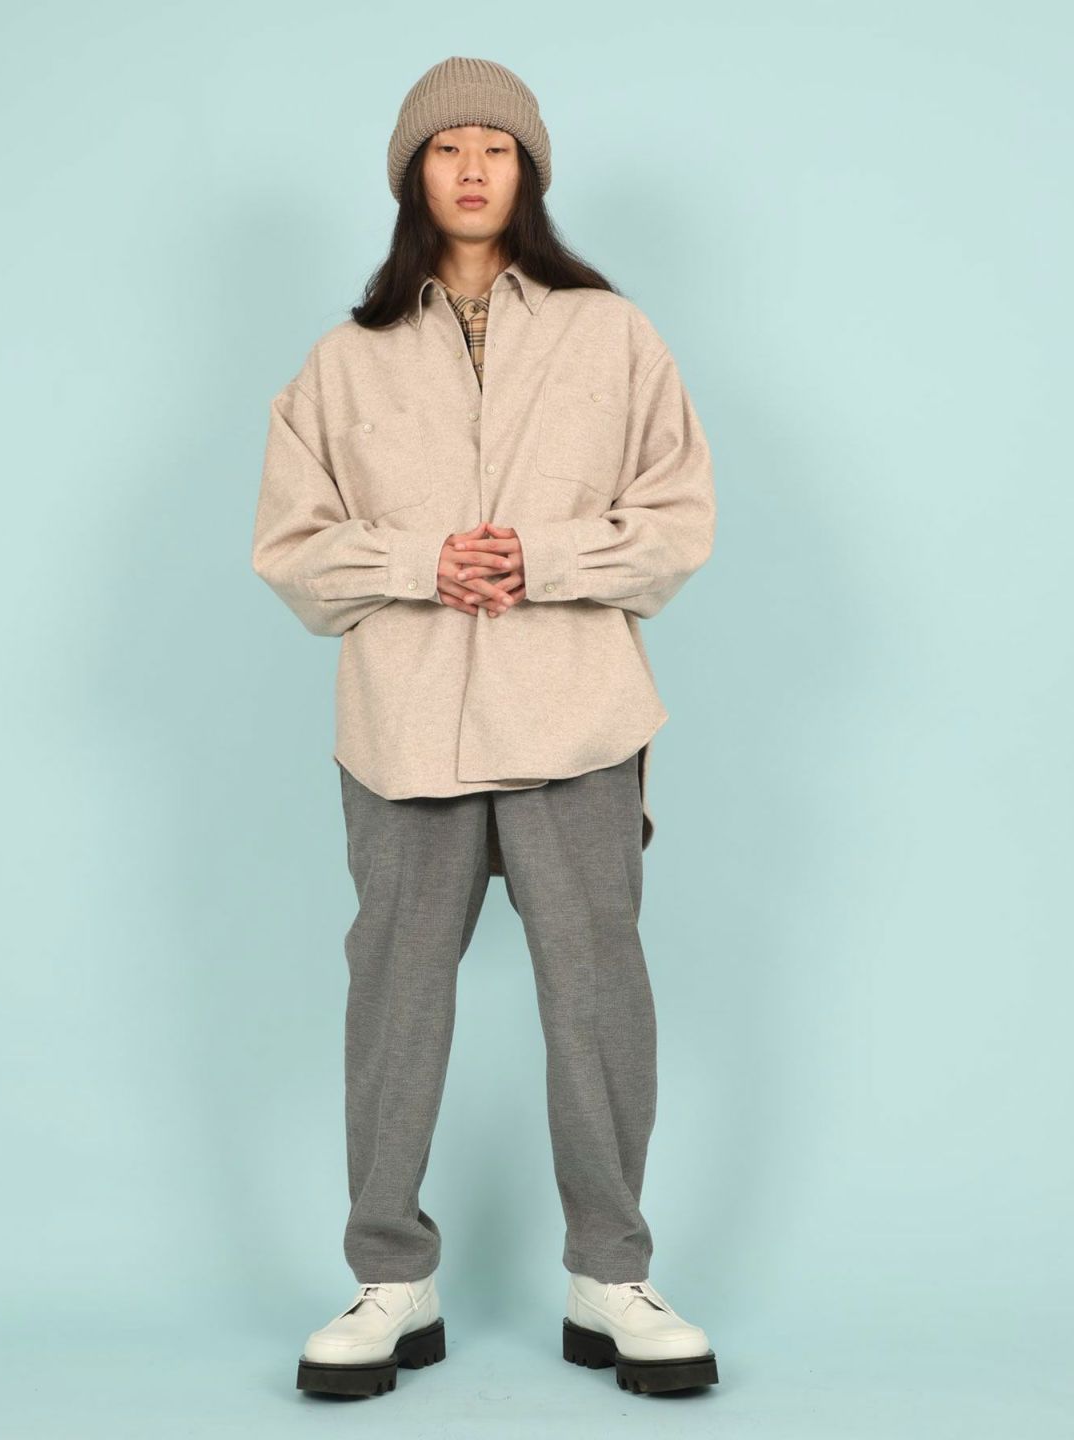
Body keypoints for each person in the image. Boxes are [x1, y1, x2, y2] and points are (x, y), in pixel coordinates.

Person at [251, 56, 719, 1399]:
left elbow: (677, 521)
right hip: (403, 727)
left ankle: (610, 1275)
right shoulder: (345, 359)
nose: (471, 169)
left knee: (598, 997)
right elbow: (292, 551)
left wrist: (544, 557)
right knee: (394, 1003)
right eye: (447, 147)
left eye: (496, 148)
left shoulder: (610, 333)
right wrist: (419, 563)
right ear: (414, 173)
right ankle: (390, 1279)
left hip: (576, 716)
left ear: (529, 173)